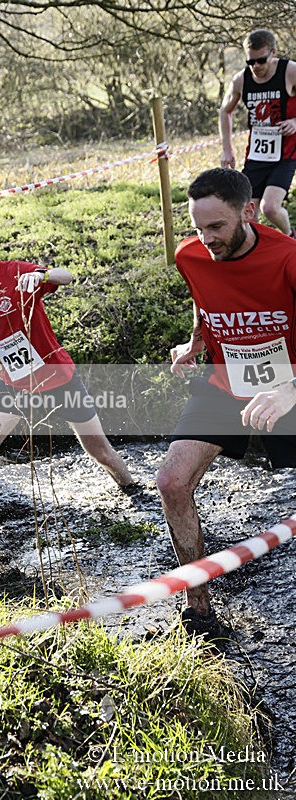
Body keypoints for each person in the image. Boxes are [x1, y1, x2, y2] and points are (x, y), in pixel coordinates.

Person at [0, 222, 136, 519]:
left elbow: (65, 276)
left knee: (100, 452)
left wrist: (42, 275)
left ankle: (135, 493)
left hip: (59, 379)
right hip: (14, 383)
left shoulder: (18, 272)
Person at [156, 168, 296, 639]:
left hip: (289, 388)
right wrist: (196, 340)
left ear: (249, 212)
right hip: (225, 384)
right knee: (172, 482)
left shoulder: (288, 258)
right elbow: (204, 297)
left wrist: (289, 390)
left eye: (216, 226)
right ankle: (198, 611)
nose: (207, 238)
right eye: (198, 228)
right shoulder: (190, 255)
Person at [219, 28, 296, 237]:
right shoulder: (241, 80)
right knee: (247, 214)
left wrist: (295, 122)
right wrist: (227, 149)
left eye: (261, 61)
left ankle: (290, 238)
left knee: (269, 207)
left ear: (273, 53)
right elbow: (225, 111)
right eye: (250, 62)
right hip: (257, 154)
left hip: (286, 154)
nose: (256, 66)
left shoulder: (290, 71)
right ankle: (257, 250)